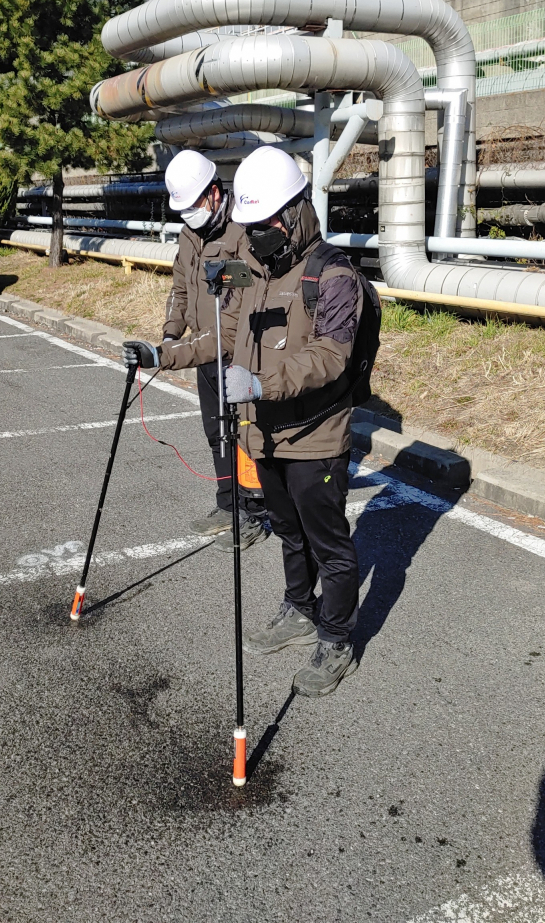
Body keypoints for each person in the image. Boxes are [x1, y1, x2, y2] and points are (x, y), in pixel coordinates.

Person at [221, 145, 365, 698]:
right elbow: (230, 337)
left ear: (298, 212)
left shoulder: (334, 277)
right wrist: (165, 356)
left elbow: (332, 356)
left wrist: (261, 385)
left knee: (328, 542)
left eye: (265, 224)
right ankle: (299, 609)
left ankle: (336, 638)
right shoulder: (255, 273)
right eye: (250, 227)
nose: (256, 236)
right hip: (265, 432)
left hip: (315, 435)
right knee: (287, 530)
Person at [123, 149, 267, 550]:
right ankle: (227, 504)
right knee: (216, 430)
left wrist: (170, 355)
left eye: (193, 205)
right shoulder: (190, 234)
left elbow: (236, 319)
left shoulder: (243, 232)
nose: (188, 215)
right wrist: (170, 334)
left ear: (214, 194)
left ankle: (253, 513)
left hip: (239, 353)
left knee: (244, 435)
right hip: (204, 352)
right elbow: (180, 289)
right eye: (181, 209)